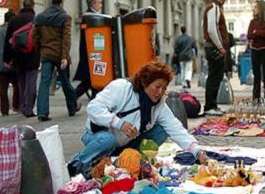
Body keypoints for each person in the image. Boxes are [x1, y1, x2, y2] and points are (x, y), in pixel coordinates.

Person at [67, 60, 208, 177]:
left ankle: (128, 161)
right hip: (98, 136)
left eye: (164, 89)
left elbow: (176, 128)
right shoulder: (122, 88)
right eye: (157, 87)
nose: (160, 92)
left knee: (161, 131)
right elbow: (93, 108)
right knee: (107, 140)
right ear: (146, 83)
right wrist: (118, 123)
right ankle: (77, 163)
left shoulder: (159, 105)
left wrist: (197, 151)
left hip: (124, 143)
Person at [34, 0, 81, 122]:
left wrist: (40, 50)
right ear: (62, 1)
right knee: (65, 81)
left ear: (51, 0)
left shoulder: (40, 17)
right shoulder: (65, 17)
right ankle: (72, 108)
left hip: (46, 54)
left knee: (44, 83)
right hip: (60, 55)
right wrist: (65, 56)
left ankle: (42, 112)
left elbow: (35, 36)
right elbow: (66, 38)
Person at [4, 0, 40, 118]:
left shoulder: (14, 19)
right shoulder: (36, 19)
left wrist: (7, 58)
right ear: (33, 6)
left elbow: (7, 40)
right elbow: (40, 38)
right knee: (31, 82)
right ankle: (28, 108)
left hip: (18, 56)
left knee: (22, 82)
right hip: (33, 55)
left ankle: (23, 106)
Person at [203, 0, 228, 116]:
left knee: (215, 76)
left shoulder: (211, 6)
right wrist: (220, 47)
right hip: (214, 48)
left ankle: (212, 105)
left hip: (212, 47)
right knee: (214, 77)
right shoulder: (214, 7)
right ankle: (210, 106)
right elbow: (212, 29)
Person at [73, 0, 103, 100]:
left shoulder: (91, 15)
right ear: (93, 3)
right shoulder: (90, 16)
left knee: (93, 80)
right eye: (100, 2)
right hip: (90, 53)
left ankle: (96, 101)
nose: (101, 5)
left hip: (93, 53)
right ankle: (72, 98)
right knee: (90, 81)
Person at [247, 0, 265, 102]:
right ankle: (256, 99)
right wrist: (258, 33)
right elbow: (249, 35)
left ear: (261, 8)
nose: (254, 9)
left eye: (256, 7)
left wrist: (256, 32)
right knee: (256, 76)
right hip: (255, 50)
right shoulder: (252, 22)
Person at [0, 10, 20, 116]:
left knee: (3, 88)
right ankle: (16, 106)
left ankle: (4, 110)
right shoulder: (15, 31)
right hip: (13, 63)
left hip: (1, 64)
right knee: (17, 85)